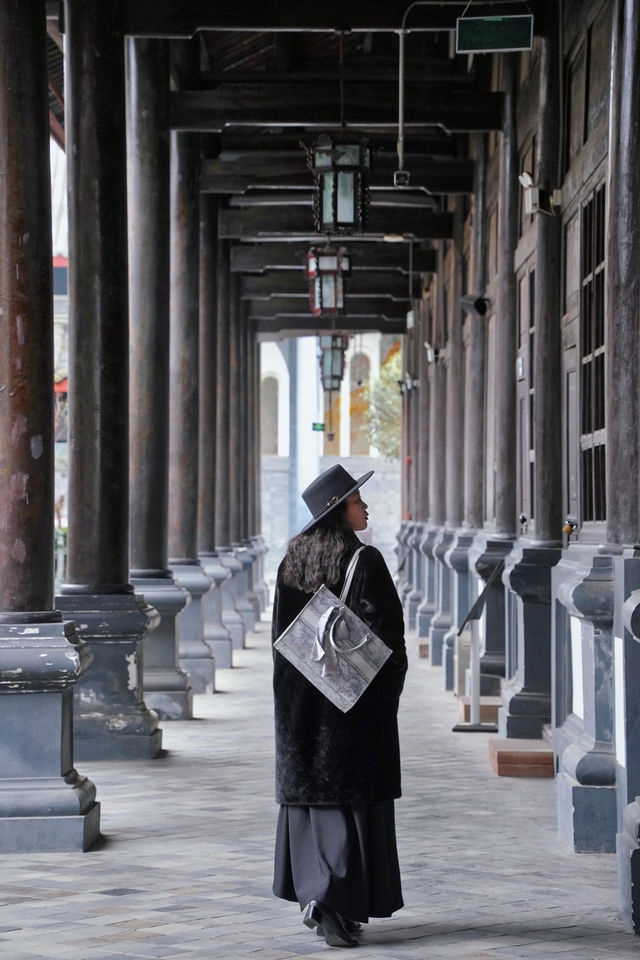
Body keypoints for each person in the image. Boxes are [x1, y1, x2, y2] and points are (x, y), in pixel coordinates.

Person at [272, 464, 408, 948]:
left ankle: (321, 896)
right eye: (356, 499)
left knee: (313, 805)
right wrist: (386, 698)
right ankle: (334, 902)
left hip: (300, 705)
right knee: (351, 803)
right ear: (337, 513)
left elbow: (280, 640)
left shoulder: (293, 562)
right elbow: (390, 642)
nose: (364, 505)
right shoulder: (365, 561)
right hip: (351, 704)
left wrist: (289, 705)